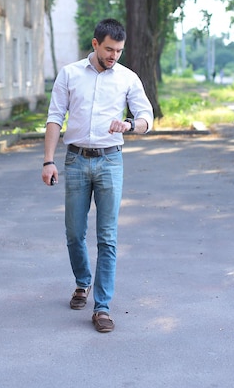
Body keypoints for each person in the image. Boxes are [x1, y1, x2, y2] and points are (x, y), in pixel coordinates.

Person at [42, 18, 153, 333]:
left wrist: (130, 125)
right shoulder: (70, 74)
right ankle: (82, 282)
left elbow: (146, 117)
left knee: (108, 237)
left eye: (118, 50)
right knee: (74, 233)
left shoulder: (127, 78)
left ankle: (102, 307)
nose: (114, 55)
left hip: (110, 162)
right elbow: (54, 118)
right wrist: (48, 161)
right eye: (108, 49)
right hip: (76, 160)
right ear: (95, 44)